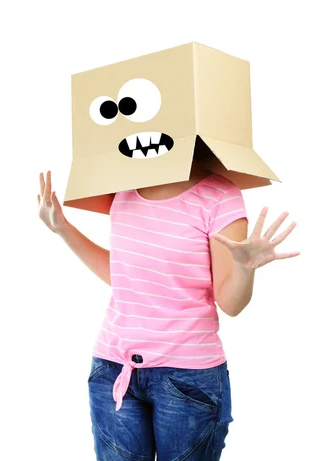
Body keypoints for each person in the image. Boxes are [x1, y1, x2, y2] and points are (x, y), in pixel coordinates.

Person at [37, 161, 298, 461]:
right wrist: (62, 228)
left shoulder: (219, 195)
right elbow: (123, 275)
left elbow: (231, 303)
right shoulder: (124, 190)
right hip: (114, 371)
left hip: (187, 379)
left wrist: (244, 267)